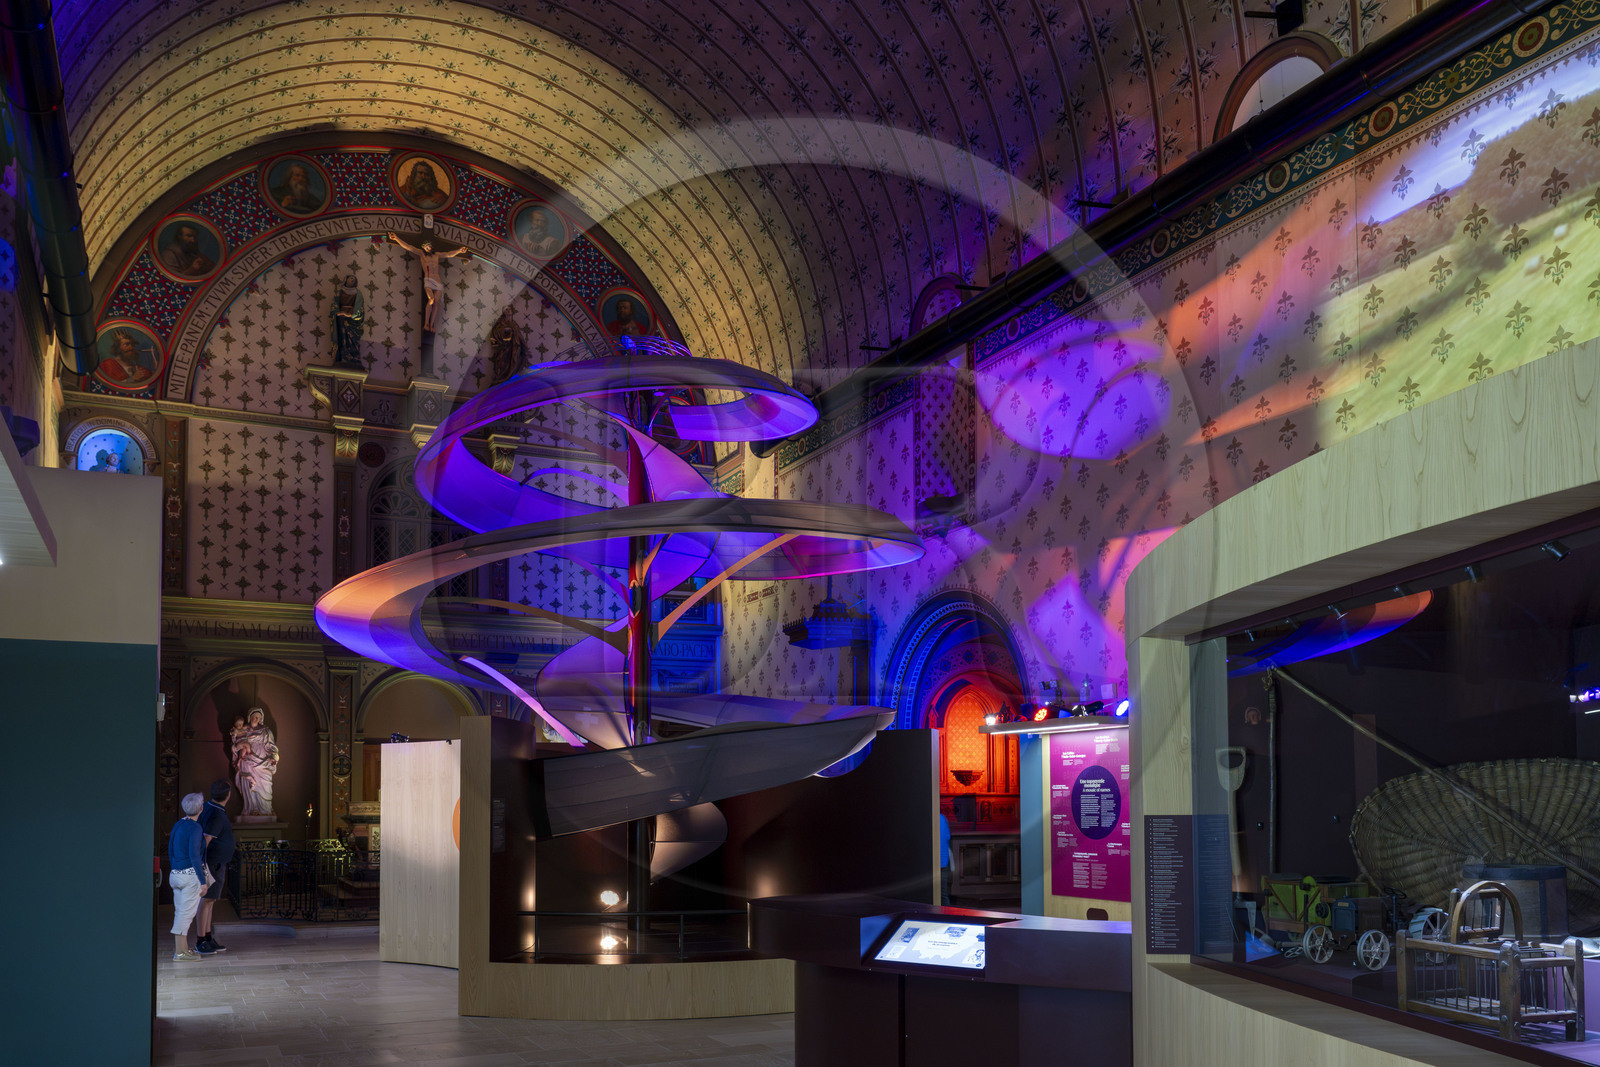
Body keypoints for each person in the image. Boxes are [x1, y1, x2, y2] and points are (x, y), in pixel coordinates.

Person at [388, 232, 468, 332]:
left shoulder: (437, 255)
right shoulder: (421, 254)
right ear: (423, 248)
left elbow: (449, 254)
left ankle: (431, 324)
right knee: (431, 299)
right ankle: (426, 323)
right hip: (429, 280)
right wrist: (396, 238)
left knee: (436, 303)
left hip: (438, 281)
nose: (427, 248)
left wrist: (459, 251)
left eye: (428, 246)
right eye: (425, 247)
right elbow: (408, 247)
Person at [168, 792, 212, 962]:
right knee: (185, 915)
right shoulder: (196, 828)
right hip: (190, 876)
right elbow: (195, 856)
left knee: (180, 912)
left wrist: (175, 868)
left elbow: (171, 849)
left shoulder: (178, 824)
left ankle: (184, 949)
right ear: (201, 808)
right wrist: (202, 882)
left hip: (176, 874)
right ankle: (179, 953)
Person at [194, 780, 236, 955]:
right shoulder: (217, 814)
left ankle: (208, 937)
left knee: (210, 901)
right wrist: (202, 866)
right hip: (212, 864)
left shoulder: (207, 807)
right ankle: (200, 941)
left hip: (215, 863)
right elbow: (205, 840)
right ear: (228, 795)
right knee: (206, 901)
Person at [230, 708, 280, 818]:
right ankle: (252, 809)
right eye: (254, 716)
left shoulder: (266, 731)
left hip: (263, 763)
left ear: (261, 718)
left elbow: (272, 747)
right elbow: (235, 744)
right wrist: (237, 746)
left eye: (259, 717)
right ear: (249, 717)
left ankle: (266, 810)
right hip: (248, 761)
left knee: (266, 786)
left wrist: (273, 757)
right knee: (249, 784)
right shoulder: (244, 730)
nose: (256, 719)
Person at [331, 274, 365, 368]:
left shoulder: (358, 293)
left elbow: (360, 307)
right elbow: (335, 305)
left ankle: (354, 356)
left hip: (352, 318)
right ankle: (344, 355)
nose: (352, 280)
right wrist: (337, 312)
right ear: (345, 280)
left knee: (353, 339)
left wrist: (351, 315)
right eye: (350, 278)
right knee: (343, 337)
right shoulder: (340, 292)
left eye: (354, 279)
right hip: (342, 318)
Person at [939, 811, 952, 906]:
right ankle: (947, 917)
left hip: (935, 861)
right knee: (943, 895)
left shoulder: (929, 818)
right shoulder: (942, 818)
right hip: (943, 861)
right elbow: (948, 836)